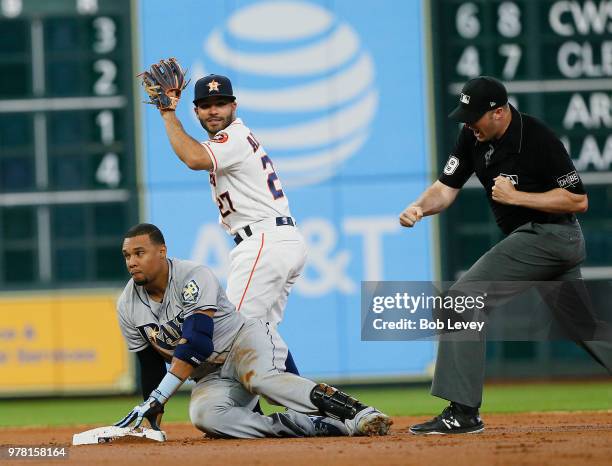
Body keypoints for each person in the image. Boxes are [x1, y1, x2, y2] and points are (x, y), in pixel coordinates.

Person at [399, 76, 612, 434]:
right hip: (537, 240)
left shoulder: (538, 138)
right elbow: (445, 188)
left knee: (461, 300)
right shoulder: (472, 136)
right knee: (583, 327)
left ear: (498, 112)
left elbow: (578, 200)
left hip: (552, 235)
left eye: (473, 116)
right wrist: (420, 207)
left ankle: (463, 412)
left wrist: (519, 198)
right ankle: (463, 411)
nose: (467, 123)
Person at [114, 223, 392, 439]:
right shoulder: (127, 305)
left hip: (243, 343)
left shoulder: (192, 276)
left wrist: (159, 397)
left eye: (139, 253)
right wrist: (152, 420)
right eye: (127, 256)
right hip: (209, 375)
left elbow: (197, 343)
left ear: (161, 252)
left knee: (263, 380)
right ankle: (312, 426)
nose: (131, 262)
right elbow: (149, 366)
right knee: (205, 417)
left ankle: (361, 412)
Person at [157, 73, 305, 375]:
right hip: (276, 240)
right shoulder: (232, 141)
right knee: (263, 335)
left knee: (232, 331)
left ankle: (300, 409)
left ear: (234, 106)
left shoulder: (233, 137)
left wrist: (167, 113)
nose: (214, 110)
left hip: (263, 242)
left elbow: (193, 158)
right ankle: (313, 411)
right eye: (206, 104)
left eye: (221, 103)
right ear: (196, 111)